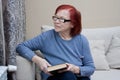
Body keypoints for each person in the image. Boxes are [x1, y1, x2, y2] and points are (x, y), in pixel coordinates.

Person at [16, 4, 95, 80]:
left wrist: (75, 69)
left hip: (76, 75)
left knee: (84, 78)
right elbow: (20, 47)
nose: (56, 21)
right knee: (68, 75)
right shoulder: (46, 37)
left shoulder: (81, 40)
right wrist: (39, 60)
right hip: (54, 77)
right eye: (55, 17)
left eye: (61, 19)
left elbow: (90, 68)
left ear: (73, 24)